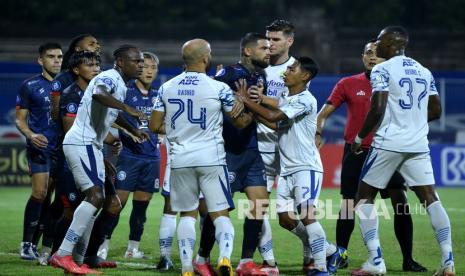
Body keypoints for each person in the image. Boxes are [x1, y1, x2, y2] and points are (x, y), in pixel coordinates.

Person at [350, 26, 455, 276]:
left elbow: (377, 108)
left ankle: (376, 262)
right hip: (418, 144)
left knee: (363, 198)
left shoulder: (382, 69)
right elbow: (436, 111)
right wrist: (413, 123)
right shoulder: (424, 70)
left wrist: (359, 137)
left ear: (388, 44)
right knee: (431, 198)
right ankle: (448, 261)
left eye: (379, 41)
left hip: (388, 142)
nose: (376, 45)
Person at [316, 39, 426, 273]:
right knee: (348, 204)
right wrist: (318, 129)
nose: (372, 57)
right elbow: (324, 112)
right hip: (356, 151)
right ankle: (342, 253)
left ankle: (408, 259)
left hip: (389, 149)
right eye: (368, 53)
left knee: (401, 203)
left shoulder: (394, 82)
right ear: (362, 57)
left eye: (376, 53)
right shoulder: (347, 83)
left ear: (386, 57)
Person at [150, 38, 250, 276]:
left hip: (180, 159)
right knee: (219, 214)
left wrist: (179, 130)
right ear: (206, 58)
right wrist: (247, 105)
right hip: (211, 158)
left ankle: (186, 267)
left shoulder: (167, 87)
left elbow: (154, 125)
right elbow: (241, 122)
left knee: (187, 214)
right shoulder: (218, 88)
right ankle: (224, 258)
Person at [49, 45, 149, 275]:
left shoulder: (121, 84)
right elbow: (99, 94)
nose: (140, 65)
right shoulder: (109, 77)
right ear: (120, 62)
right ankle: (62, 254)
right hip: (81, 142)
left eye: (142, 61)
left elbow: (112, 114)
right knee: (95, 196)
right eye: (136, 61)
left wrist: (133, 129)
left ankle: (80, 258)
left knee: (103, 200)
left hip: (92, 145)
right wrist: (128, 108)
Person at [192, 33, 278, 276]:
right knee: (218, 210)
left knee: (259, 205)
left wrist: (250, 103)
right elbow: (212, 99)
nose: (268, 51)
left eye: (269, 48)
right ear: (248, 51)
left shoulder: (260, 76)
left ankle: (245, 262)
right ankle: (202, 258)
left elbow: (259, 113)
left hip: (251, 150)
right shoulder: (227, 75)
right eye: (263, 48)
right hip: (226, 152)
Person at [236, 57, 331, 276]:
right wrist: (254, 109)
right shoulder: (290, 98)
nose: (285, 72)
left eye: (291, 69)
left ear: (305, 75)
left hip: (306, 167)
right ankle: (329, 250)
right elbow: (273, 123)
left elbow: (272, 115)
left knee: (307, 216)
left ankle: (321, 267)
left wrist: (246, 100)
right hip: (288, 170)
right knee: (286, 220)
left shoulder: (306, 99)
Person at [101, 52, 162, 259]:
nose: (149, 71)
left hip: (152, 158)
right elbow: (110, 117)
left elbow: (162, 124)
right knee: (117, 203)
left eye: (153, 67)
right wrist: (122, 134)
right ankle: (103, 244)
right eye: (145, 66)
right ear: (138, 68)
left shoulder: (159, 95)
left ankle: (133, 248)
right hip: (129, 157)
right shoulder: (125, 93)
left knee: (141, 207)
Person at [15, 42, 63, 260]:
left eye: (59, 57)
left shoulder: (68, 85)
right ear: (40, 60)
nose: (56, 60)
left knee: (50, 197)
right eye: (51, 56)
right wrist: (31, 135)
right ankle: (26, 244)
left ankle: (36, 243)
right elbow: (20, 121)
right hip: (39, 147)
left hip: (61, 149)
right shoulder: (30, 85)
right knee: (39, 193)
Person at [50, 34, 100, 121]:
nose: (97, 47)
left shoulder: (101, 75)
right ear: (78, 49)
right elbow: (55, 112)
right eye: (91, 44)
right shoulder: (62, 79)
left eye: (97, 44)